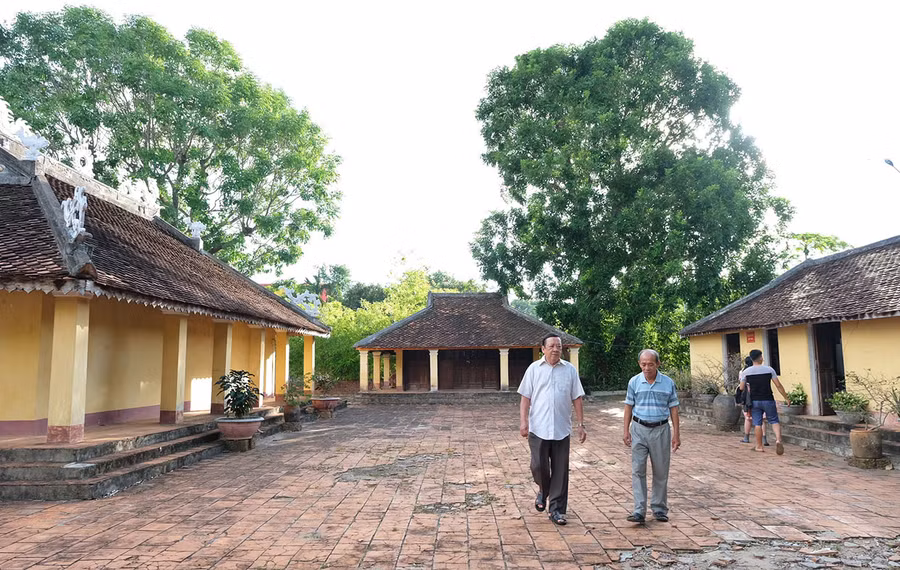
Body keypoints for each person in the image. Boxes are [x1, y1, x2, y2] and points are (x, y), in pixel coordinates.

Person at [519, 334, 586, 526]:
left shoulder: (569, 370)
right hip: (538, 427)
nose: (556, 349)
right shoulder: (533, 369)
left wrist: (581, 425)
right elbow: (525, 398)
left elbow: (577, 398)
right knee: (538, 466)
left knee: (560, 471)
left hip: (561, 428)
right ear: (543, 349)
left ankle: (556, 510)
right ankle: (543, 489)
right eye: (552, 346)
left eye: (559, 346)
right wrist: (523, 422)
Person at [623, 349, 680, 524]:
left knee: (661, 471)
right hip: (639, 429)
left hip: (661, 430)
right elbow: (628, 407)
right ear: (639, 364)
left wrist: (676, 433)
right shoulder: (634, 382)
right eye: (643, 364)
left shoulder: (668, 383)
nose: (646, 368)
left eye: (650, 364)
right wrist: (625, 430)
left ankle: (659, 509)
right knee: (638, 470)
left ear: (658, 364)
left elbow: (674, 408)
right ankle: (639, 510)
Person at [740, 349, 790, 455]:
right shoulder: (769, 370)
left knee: (757, 423)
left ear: (751, 359)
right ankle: (778, 440)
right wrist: (786, 397)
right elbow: (778, 385)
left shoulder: (746, 372)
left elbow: (741, 387)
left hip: (754, 401)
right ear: (760, 358)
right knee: (774, 421)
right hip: (768, 399)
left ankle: (759, 446)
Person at [738, 355, 769, 446]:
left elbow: (741, 386)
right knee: (762, 419)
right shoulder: (763, 370)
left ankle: (746, 437)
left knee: (748, 418)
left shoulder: (743, 372)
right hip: (762, 395)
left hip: (749, 397)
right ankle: (764, 439)